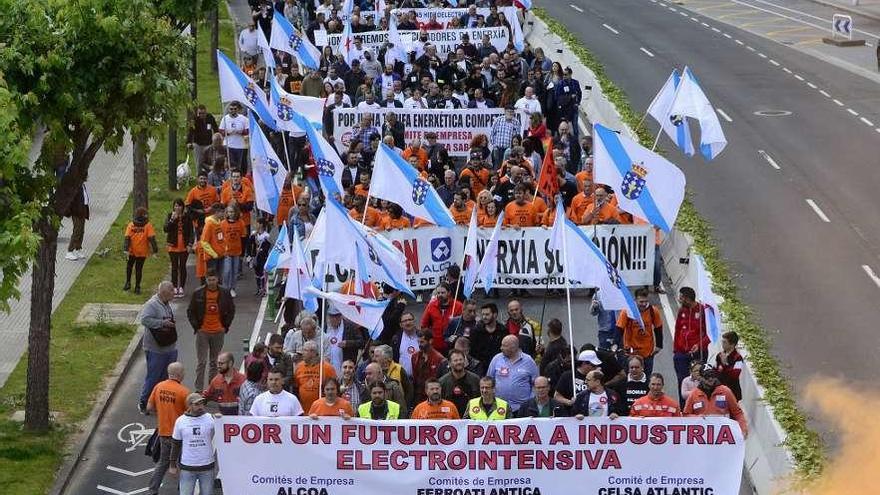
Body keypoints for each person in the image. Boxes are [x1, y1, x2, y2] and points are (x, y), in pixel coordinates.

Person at [187, 269, 236, 391]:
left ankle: (211, 388)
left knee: (215, 362)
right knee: (201, 362)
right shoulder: (198, 293)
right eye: (209, 280)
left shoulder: (225, 292)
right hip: (203, 331)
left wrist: (225, 326)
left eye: (213, 279)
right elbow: (190, 311)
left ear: (217, 279)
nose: (211, 282)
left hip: (218, 331)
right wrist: (196, 327)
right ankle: (198, 389)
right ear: (206, 279)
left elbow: (231, 310)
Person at [146, 362, 189, 495]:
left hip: (164, 433)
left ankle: (152, 490)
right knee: (185, 463)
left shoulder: (159, 387)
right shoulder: (184, 392)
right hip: (180, 435)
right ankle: (184, 489)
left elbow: (149, 408)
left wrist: (162, 413)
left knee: (163, 463)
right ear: (180, 374)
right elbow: (190, 413)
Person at [139, 282, 179, 414]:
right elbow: (144, 320)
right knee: (153, 377)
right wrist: (162, 323)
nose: (174, 293)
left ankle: (158, 402)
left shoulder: (166, 304)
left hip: (169, 347)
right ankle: (144, 402)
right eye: (171, 291)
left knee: (164, 378)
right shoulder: (152, 304)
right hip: (156, 349)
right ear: (163, 292)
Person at [169, 393, 216, 495]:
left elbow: (223, 431)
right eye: (196, 404)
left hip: (207, 466)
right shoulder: (180, 421)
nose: (200, 407)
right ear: (189, 406)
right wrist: (172, 464)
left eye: (202, 403)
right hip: (187, 467)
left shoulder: (210, 418)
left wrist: (222, 420)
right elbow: (176, 444)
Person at [684, 365, 748, 437]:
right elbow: (686, 415)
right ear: (700, 377)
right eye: (707, 376)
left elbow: (737, 413)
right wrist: (697, 417)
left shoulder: (725, 391)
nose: (710, 379)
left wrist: (743, 428)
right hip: (702, 437)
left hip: (723, 435)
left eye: (712, 375)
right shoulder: (693, 394)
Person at [616, 287, 663, 374]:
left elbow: (658, 327)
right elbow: (619, 329)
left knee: (647, 377)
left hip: (647, 352)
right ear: (635, 300)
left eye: (646, 301)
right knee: (630, 378)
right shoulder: (627, 311)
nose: (644, 304)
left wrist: (659, 345)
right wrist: (619, 348)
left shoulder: (653, 311)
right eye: (641, 302)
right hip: (631, 352)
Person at [487, 335, 539, 413]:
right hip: (499, 408)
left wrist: (530, 402)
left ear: (514, 347)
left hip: (522, 409)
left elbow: (536, 384)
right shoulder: (496, 359)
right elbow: (489, 380)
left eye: (504, 346)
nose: (501, 348)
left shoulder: (529, 361)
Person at [673, 287, 710, 387]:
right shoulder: (682, 311)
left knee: (698, 381)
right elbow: (677, 330)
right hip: (681, 353)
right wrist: (676, 350)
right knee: (682, 382)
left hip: (698, 354)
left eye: (681, 298)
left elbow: (710, 334)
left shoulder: (703, 311)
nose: (679, 300)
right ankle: (683, 403)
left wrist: (699, 345)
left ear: (688, 299)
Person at [554, 349, 602, 414]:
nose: (595, 368)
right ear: (584, 363)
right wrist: (569, 402)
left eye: (596, 366)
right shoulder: (567, 376)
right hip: (572, 415)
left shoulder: (597, 377)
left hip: (593, 413)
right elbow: (557, 396)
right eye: (593, 365)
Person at [293, 341, 337, 412]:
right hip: (303, 410)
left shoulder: (327, 368)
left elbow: (335, 389)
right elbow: (295, 388)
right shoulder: (299, 367)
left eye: (305, 350)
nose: (302, 353)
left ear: (313, 352)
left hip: (322, 410)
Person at [420, 283, 462, 354]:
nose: (440, 295)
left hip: (452, 346)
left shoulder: (458, 306)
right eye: (438, 293)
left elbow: (463, 325)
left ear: (449, 293)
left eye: (443, 293)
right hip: (435, 345)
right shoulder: (431, 306)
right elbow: (424, 325)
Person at [123, 206, 158, 294]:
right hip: (142, 252)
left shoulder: (131, 225)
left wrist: (126, 250)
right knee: (139, 269)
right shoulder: (147, 225)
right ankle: (137, 287)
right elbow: (152, 239)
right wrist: (155, 251)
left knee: (129, 267)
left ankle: (127, 283)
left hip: (131, 251)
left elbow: (127, 238)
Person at [164, 199, 195, 297]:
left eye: (179, 206)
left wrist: (190, 244)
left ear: (183, 207)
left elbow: (191, 232)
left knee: (182, 266)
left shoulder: (187, 217)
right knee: (174, 267)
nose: (177, 208)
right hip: (173, 244)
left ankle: (181, 286)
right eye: (175, 206)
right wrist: (172, 220)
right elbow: (166, 229)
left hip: (184, 245)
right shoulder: (170, 215)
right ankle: (174, 287)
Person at [438, 349, 481, 418]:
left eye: (461, 360)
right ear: (449, 363)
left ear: (465, 361)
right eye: (455, 360)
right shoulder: (442, 382)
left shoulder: (475, 379)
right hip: (449, 420)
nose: (459, 362)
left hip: (471, 420)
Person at [201, 352, 246, 416]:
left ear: (230, 363)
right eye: (218, 363)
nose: (218, 366)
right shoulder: (216, 381)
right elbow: (206, 396)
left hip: (240, 419)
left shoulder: (243, 380)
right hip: (222, 420)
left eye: (221, 363)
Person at [323, 307, 364, 376]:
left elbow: (361, 342)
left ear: (341, 316)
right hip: (328, 364)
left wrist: (347, 343)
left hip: (345, 364)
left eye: (337, 317)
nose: (334, 319)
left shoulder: (350, 327)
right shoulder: (325, 327)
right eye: (332, 317)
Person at [411, 329, 447, 405]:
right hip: (418, 396)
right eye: (418, 342)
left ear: (430, 341)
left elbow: (442, 381)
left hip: (433, 395)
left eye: (422, 342)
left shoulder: (439, 359)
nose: (419, 345)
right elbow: (415, 378)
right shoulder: (415, 357)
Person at [219, 204, 245, 297]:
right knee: (227, 271)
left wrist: (244, 252)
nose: (230, 214)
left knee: (235, 272)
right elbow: (220, 237)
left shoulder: (240, 223)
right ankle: (225, 288)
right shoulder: (222, 223)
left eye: (232, 212)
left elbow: (243, 237)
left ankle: (232, 288)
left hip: (237, 250)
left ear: (236, 212)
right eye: (229, 212)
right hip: (227, 251)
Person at [218, 102, 249, 171]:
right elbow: (220, 131)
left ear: (238, 109)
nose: (233, 111)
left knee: (240, 165)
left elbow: (248, 130)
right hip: (229, 145)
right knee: (230, 165)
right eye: (231, 109)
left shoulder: (243, 119)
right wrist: (228, 132)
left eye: (235, 109)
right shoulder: (225, 118)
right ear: (229, 109)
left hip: (240, 146)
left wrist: (241, 132)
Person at [715, 331, 744, 400]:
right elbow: (715, 370)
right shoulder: (719, 355)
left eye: (725, 342)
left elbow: (735, 374)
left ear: (732, 344)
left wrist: (725, 364)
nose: (722, 344)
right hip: (720, 390)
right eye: (722, 342)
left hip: (732, 391)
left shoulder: (738, 358)